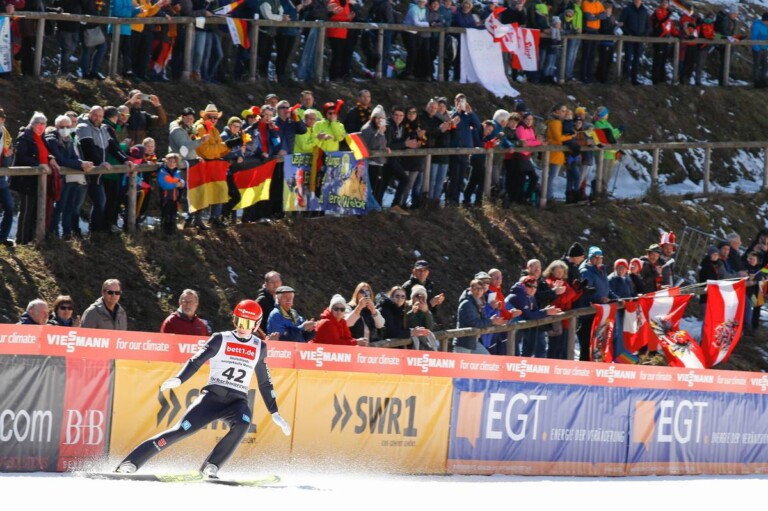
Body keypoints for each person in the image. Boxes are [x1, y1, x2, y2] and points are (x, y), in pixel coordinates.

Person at [115, 300, 292, 478]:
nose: (241, 327)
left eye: (246, 323)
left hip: (237, 401)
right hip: (212, 398)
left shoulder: (259, 347)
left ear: (256, 325)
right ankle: (130, 462)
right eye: (238, 321)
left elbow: (264, 382)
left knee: (243, 423)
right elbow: (196, 361)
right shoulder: (220, 338)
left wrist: (274, 411)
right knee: (180, 430)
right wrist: (179, 379)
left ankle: (211, 466)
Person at [11, 112, 60, 245]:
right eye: (38, 124)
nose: (41, 127)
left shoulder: (40, 137)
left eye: (43, 124)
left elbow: (45, 152)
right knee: (27, 210)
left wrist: (50, 159)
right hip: (26, 179)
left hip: (38, 180)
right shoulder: (25, 137)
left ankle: (32, 238)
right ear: (32, 124)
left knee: (36, 210)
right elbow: (21, 156)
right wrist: (39, 164)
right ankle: (21, 240)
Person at [454, 279, 507, 355]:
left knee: (486, 360)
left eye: (481, 289)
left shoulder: (478, 302)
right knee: (461, 366)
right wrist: (491, 321)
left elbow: (482, 319)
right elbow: (474, 323)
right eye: (476, 288)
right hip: (463, 343)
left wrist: (495, 322)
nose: (478, 291)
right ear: (471, 289)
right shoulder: (467, 303)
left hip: (473, 342)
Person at [156, 153, 185, 235]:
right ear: (166, 161)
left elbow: (181, 181)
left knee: (173, 216)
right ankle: (164, 233)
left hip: (175, 198)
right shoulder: (162, 172)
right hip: (165, 198)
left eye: (174, 162)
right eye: (170, 161)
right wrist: (175, 185)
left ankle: (171, 232)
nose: (172, 163)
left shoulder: (177, 172)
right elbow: (164, 184)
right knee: (166, 216)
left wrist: (182, 184)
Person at [407, 284, 440, 350]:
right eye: (417, 296)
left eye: (423, 297)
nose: (420, 299)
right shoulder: (406, 306)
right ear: (412, 297)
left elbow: (430, 327)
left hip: (423, 343)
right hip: (409, 343)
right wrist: (412, 312)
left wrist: (426, 312)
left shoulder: (425, 309)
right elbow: (404, 322)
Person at [0, 108, 14, 246]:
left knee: (9, 207)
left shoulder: (7, 136)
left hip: (1, 178)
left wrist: (7, 156)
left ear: (3, 120)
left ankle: (2, 237)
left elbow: (7, 161)